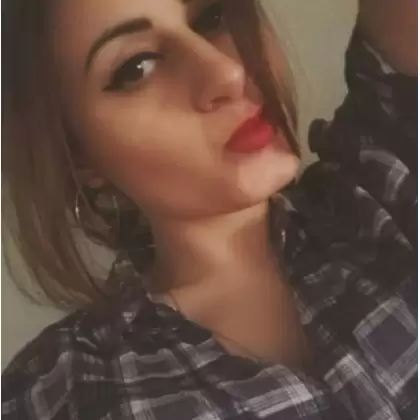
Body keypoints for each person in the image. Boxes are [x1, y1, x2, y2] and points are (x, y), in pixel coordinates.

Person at [2, 0, 417, 418]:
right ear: (79, 156)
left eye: (213, 16)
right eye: (137, 67)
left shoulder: (382, 179)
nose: (227, 72)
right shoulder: (62, 390)